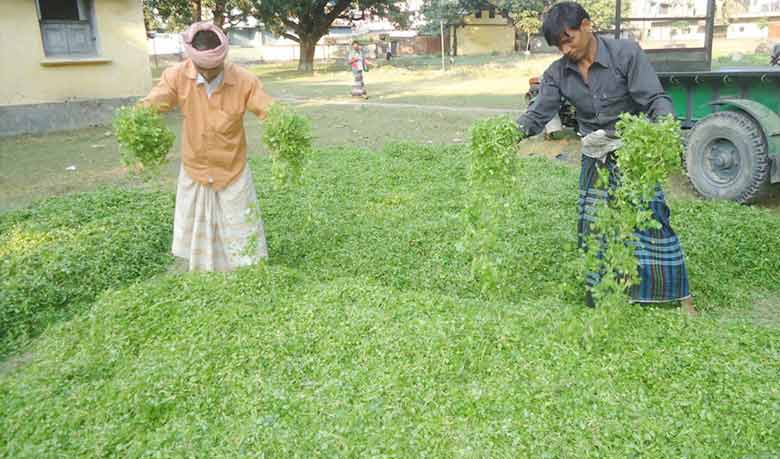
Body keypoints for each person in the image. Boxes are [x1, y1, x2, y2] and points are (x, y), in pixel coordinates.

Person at [516, 2, 697, 315]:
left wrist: (664, 128)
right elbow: (537, 115)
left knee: (652, 218)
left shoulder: (625, 54)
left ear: (587, 25)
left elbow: (655, 99)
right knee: (593, 226)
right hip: (595, 154)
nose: (565, 47)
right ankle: (601, 295)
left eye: (568, 37)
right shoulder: (557, 73)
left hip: (632, 151)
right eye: (558, 44)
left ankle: (681, 298)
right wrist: (508, 133)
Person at [140, 21, 274, 272]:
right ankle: (202, 271)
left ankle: (246, 272)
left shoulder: (245, 81)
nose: (210, 74)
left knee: (240, 223)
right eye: (203, 68)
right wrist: (137, 119)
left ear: (224, 57)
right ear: (192, 60)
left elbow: (268, 110)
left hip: (232, 166)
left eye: (215, 68)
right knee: (196, 226)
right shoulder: (176, 76)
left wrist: (282, 123)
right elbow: (153, 104)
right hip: (196, 166)